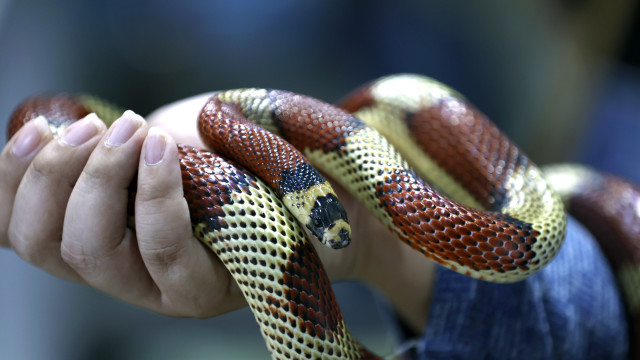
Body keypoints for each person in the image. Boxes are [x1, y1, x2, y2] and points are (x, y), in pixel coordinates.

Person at [0, 94, 629, 359]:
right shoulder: (264, 139)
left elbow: (533, 236)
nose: (337, 234)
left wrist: (371, 234)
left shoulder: (526, 235)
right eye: (326, 221)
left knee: (538, 227)